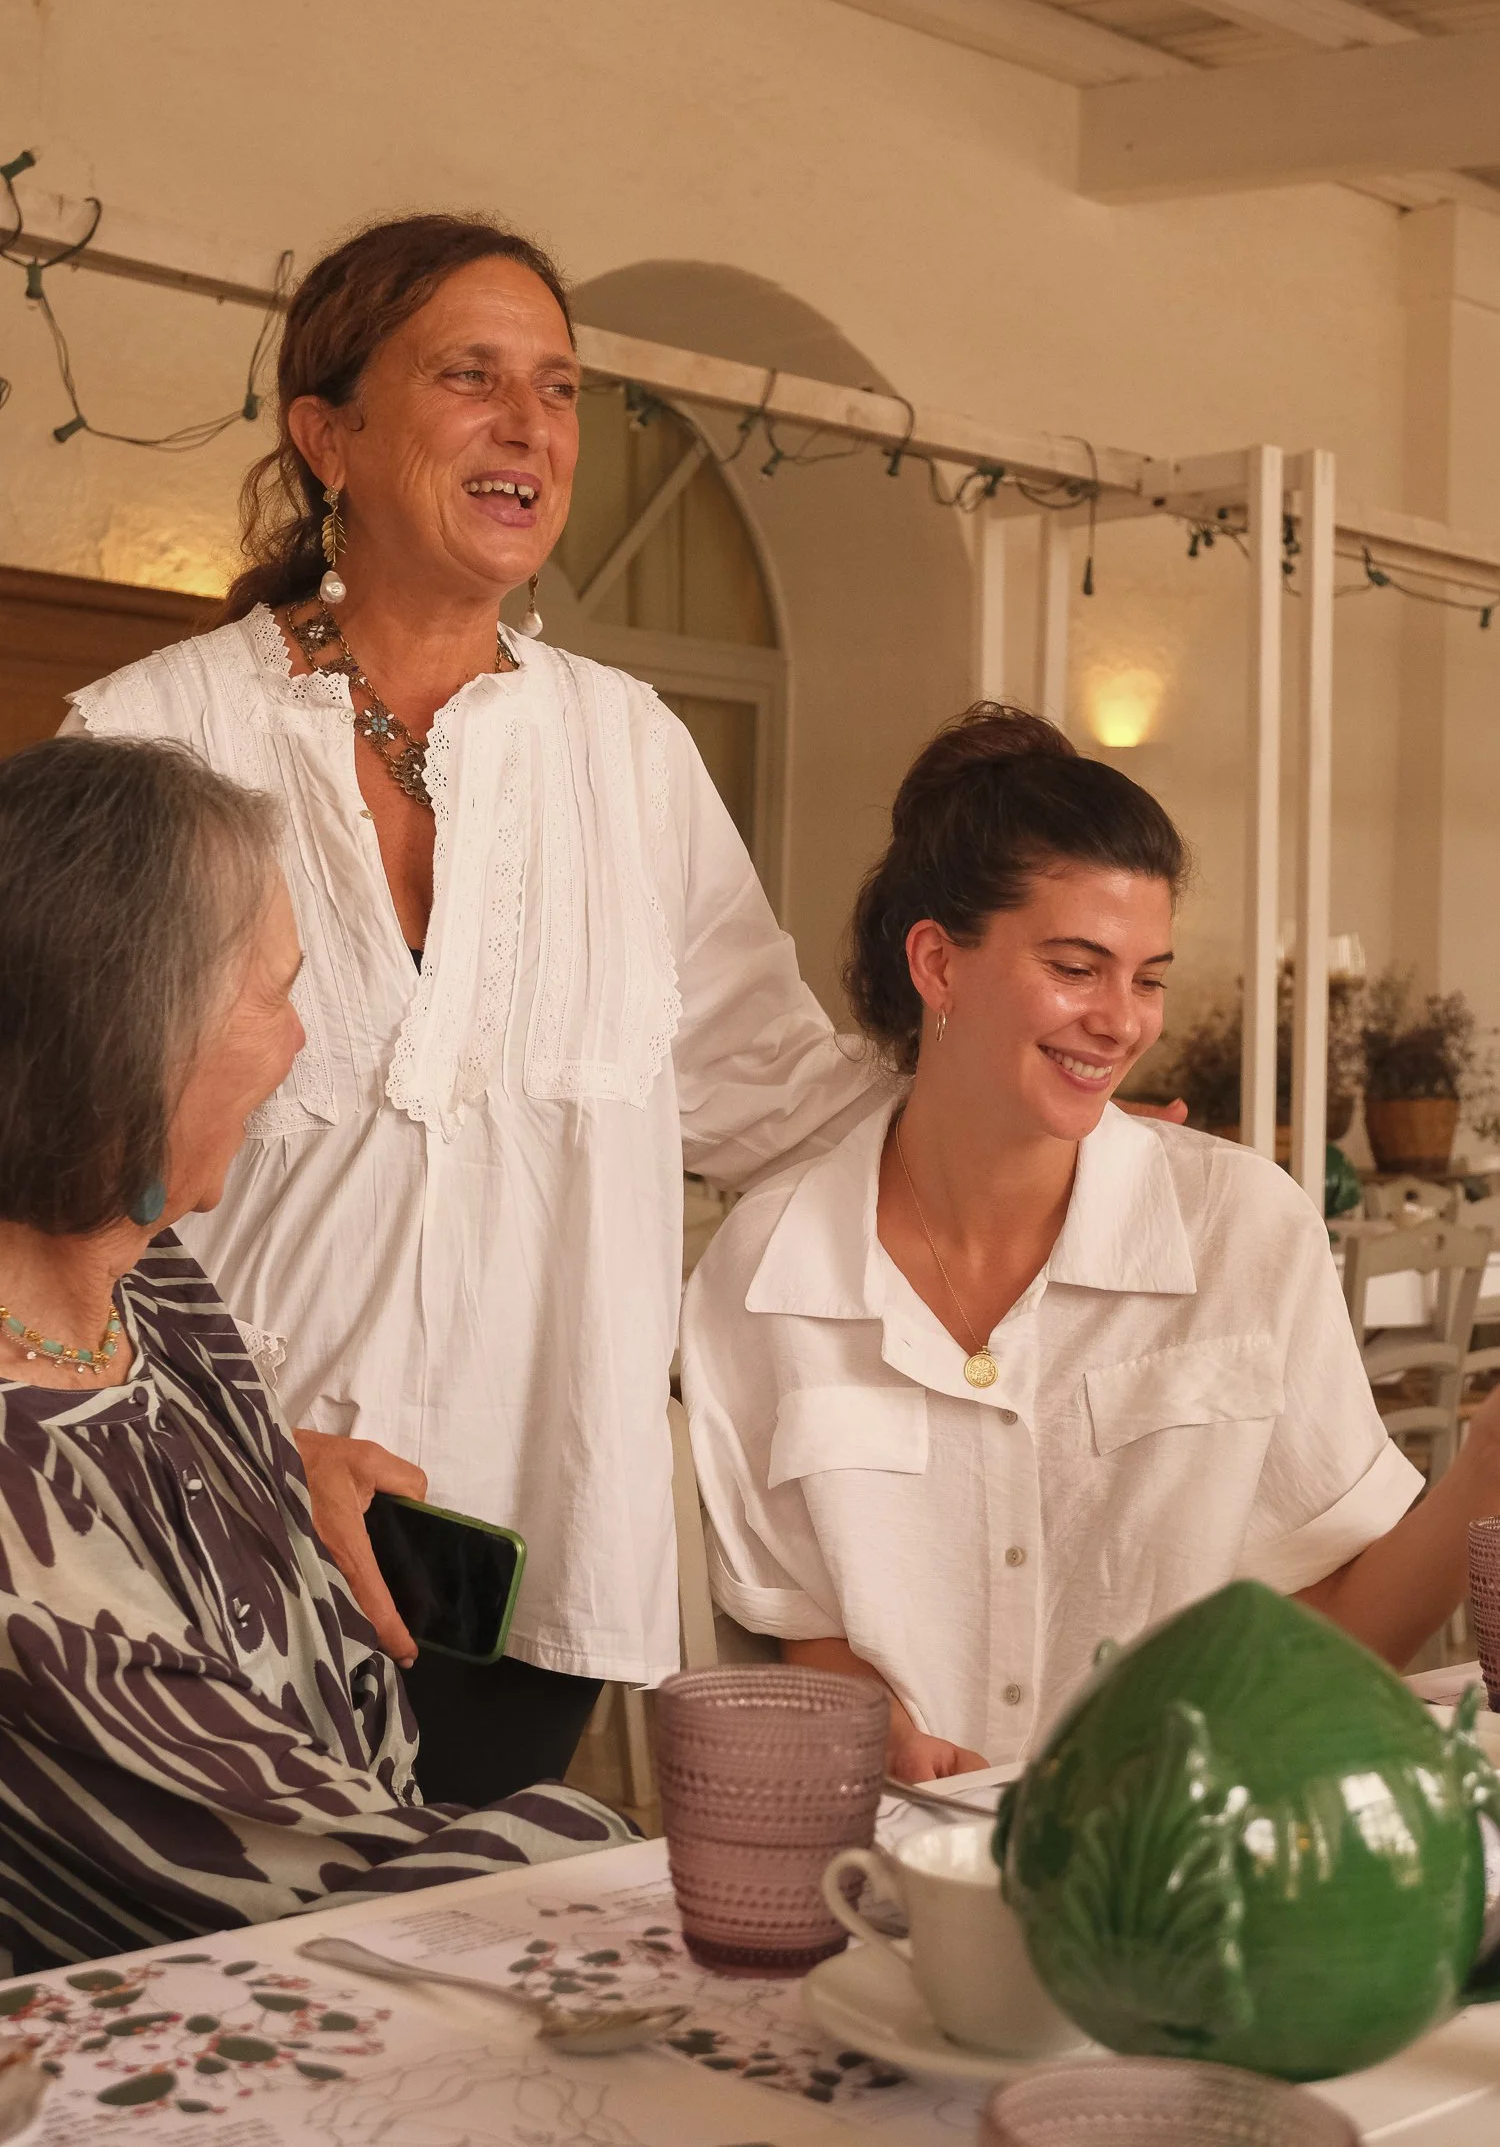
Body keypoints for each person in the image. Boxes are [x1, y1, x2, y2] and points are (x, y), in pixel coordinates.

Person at [61, 214, 883, 1799]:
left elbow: (778, 1097)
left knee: (454, 2010)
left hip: (524, 1549)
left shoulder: (629, 752)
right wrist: (232, 1456)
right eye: (471, 376)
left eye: (561, 388)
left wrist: (1045, 1130)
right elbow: (36, 1175)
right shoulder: (153, 738)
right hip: (195, 1538)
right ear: (330, 434)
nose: (531, 426)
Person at [681, 704, 1500, 1781]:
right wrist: (871, 1733)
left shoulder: (1241, 1232)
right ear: (937, 963)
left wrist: (1486, 1462)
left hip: (1190, 1876)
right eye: (1076, 967)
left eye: (1148, 976)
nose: (1122, 1021)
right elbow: (811, 1634)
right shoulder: (765, 1274)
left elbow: (1329, 1634)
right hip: (902, 1875)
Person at [0, 738, 633, 1974]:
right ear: (131, 1040)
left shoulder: (156, 1286)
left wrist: (267, 1472)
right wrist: (684, 1848)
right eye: (275, 993)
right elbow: (345, 1894)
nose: (298, 1047)